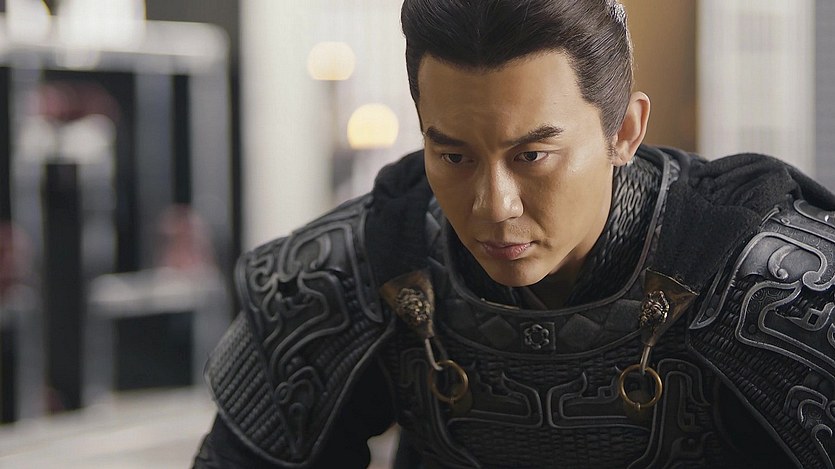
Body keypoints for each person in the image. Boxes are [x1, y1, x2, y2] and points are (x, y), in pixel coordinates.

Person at [193, 0, 835, 467]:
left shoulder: (775, 283)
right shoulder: (358, 265)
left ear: (625, 132)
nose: (494, 206)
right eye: (454, 156)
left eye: (532, 156)